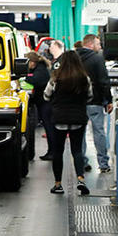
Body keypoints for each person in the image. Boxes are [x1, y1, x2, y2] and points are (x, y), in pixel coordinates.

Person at [43, 50, 93, 195]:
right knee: (77, 150)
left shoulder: (55, 79)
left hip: (59, 118)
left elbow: (46, 96)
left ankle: (58, 185)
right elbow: (90, 97)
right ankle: (81, 179)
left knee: (58, 151)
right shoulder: (85, 79)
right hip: (78, 118)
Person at [77, 33, 114, 173]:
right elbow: (103, 81)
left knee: (80, 133)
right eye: (98, 44)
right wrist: (108, 100)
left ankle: (81, 162)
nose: (100, 47)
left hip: (78, 103)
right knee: (99, 132)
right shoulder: (97, 58)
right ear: (91, 44)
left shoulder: (74, 58)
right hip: (95, 101)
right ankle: (103, 164)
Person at [26, 51, 54, 161]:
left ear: (32, 62)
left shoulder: (41, 70)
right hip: (44, 102)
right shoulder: (40, 68)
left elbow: (35, 81)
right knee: (48, 127)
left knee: (49, 127)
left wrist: (24, 77)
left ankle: (52, 152)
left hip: (46, 103)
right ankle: (51, 151)